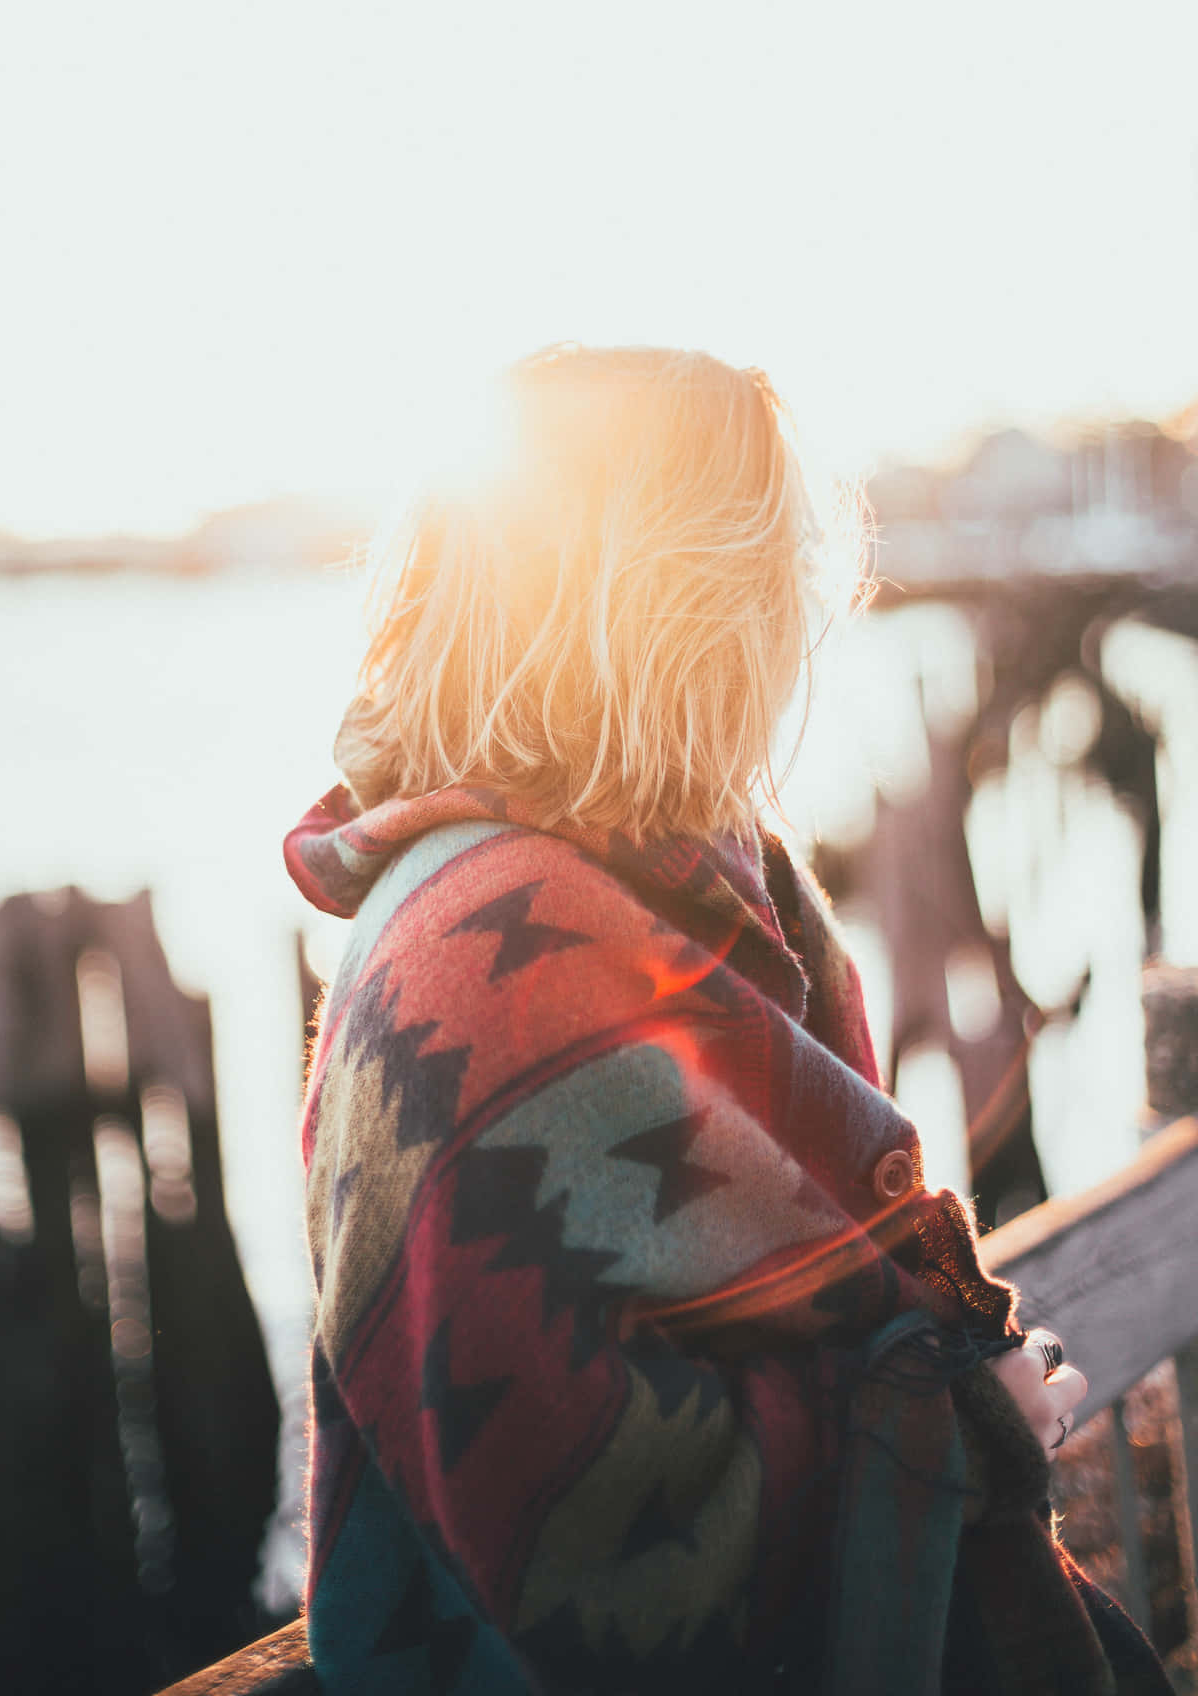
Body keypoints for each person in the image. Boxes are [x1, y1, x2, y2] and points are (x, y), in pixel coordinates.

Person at [284, 346, 1168, 1693]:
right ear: (672, 604)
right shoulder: (492, 955)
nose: (795, 621)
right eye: (770, 577)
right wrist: (970, 1419)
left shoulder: (706, 881)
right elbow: (598, 1528)